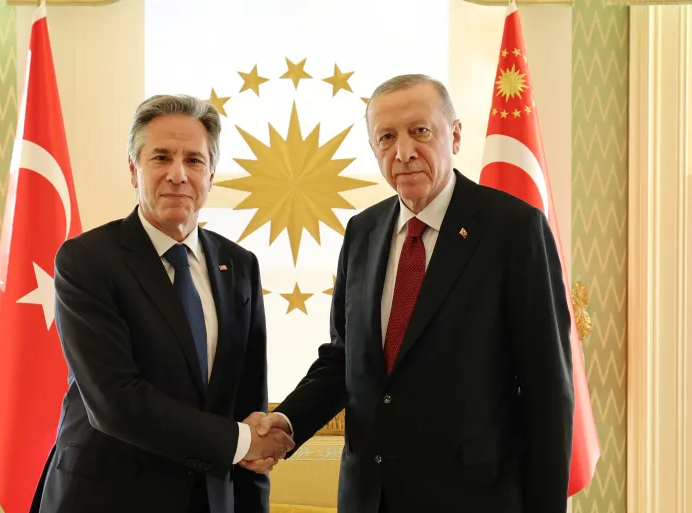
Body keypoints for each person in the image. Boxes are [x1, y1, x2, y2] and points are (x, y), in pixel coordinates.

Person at [243, 75, 574, 513]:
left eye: (420, 131)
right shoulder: (362, 231)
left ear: (455, 135)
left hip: (473, 499)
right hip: (368, 498)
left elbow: (547, 391)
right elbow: (344, 358)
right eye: (386, 137)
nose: (403, 152)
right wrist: (286, 422)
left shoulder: (513, 229)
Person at [31, 94, 294, 513]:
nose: (178, 174)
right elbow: (116, 402)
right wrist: (242, 440)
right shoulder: (87, 260)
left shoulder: (239, 265)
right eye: (161, 157)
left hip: (207, 501)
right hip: (104, 498)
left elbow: (248, 402)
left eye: (194, 160)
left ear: (211, 175)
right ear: (133, 170)